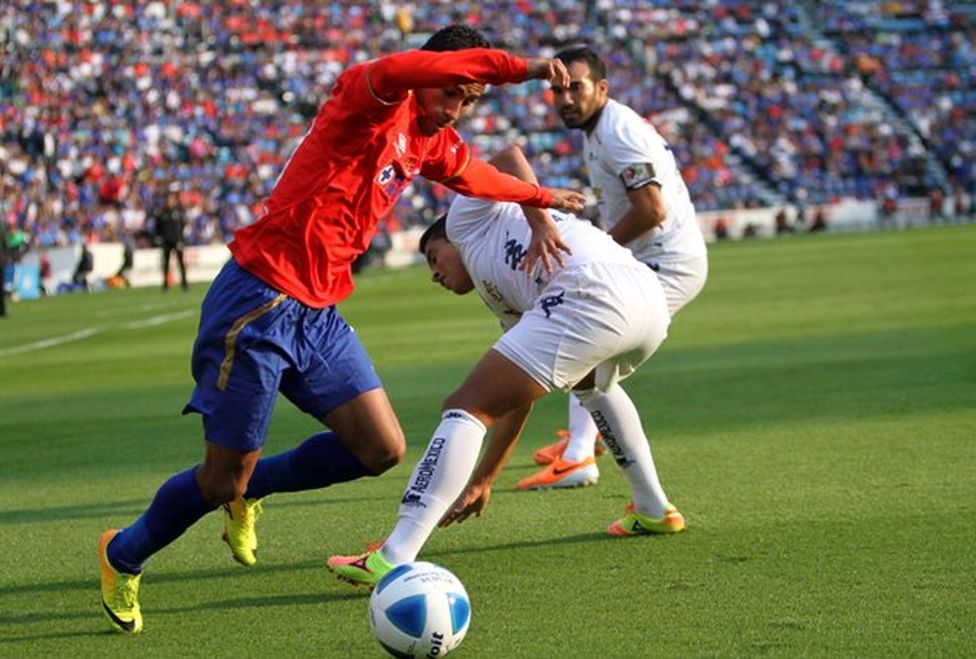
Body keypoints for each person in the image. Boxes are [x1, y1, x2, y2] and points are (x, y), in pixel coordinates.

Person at [98, 25, 585, 635]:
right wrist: (530, 67)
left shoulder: (429, 139)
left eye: (469, 100)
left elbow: (480, 178)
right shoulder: (371, 94)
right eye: (453, 92)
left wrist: (543, 196)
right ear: (426, 71)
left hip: (318, 312)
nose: (456, 108)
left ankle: (254, 491)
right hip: (258, 301)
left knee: (380, 448)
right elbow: (428, 77)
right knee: (221, 476)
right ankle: (123, 553)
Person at [327, 144, 685, 588]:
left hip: (592, 290)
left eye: (432, 257)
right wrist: (485, 479)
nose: (434, 274)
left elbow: (508, 155)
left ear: (446, 240)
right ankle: (653, 508)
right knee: (593, 387)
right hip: (643, 302)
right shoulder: (506, 300)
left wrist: (540, 220)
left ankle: (394, 554)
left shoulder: (467, 220)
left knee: (463, 405)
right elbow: (516, 401)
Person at [519, 45, 708, 490]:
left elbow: (651, 209)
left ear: (601, 88)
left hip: (666, 261)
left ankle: (580, 455)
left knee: (591, 346)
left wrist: (599, 247)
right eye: (557, 90)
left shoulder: (618, 131)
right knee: (592, 346)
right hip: (653, 257)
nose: (565, 99)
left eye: (575, 88)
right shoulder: (601, 127)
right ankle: (584, 439)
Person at [156, 191, 189, 291]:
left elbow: (182, 226)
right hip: (166, 242)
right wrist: (159, 238)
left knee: (181, 262)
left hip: (177, 241)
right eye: (168, 200)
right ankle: (165, 284)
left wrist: (181, 240)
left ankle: (184, 283)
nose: (170, 202)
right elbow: (158, 227)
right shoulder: (162, 213)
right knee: (166, 263)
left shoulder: (178, 212)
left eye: (171, 200)